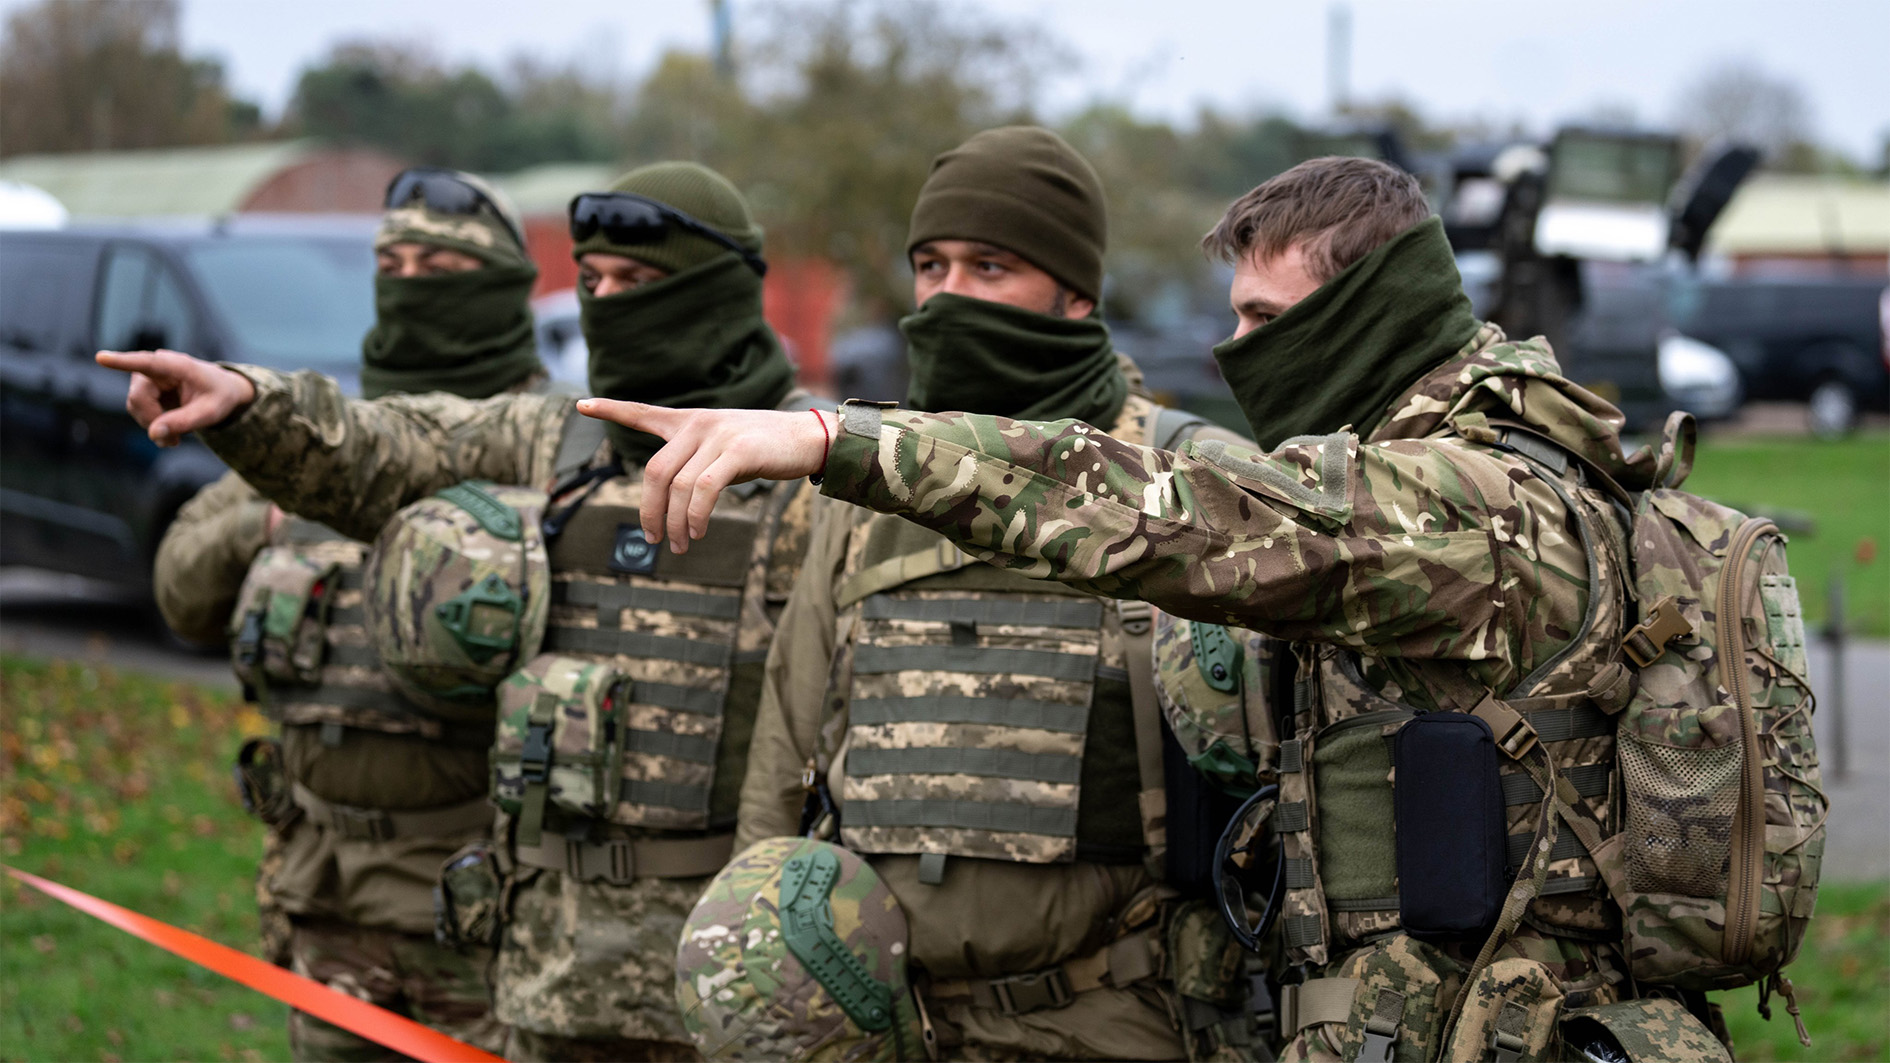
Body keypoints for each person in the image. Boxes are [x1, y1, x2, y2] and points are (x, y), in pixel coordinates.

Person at [570, 157, 1728, 1059]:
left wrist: (839, 435)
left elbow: (1184, 510)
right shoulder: (1445, 472)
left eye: (1266, 320)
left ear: (1373, 310)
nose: (1235, 354)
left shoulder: (1472, 504)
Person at [101, 161, 821, 1062]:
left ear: (716, 290)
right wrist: (250, 404)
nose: (609, 304)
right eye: (592, 282)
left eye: (639, 282)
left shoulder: (809, 474)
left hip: (722, 980)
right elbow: (393, 442)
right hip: (547, 975)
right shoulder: (550, 440)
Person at [693, 126, 1256, 1063]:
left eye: (990, 267)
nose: (949, 296)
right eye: (931, 265)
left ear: (1075, 292)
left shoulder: (1184, 476)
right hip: (890, 1026)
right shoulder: (862, 485)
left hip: (1117, 1017)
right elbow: (782, 765)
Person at [154, 166, 542, 1061]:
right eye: (392, 262)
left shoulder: (543, 438)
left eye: (439, 266)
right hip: (322, 897)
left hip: (479, 910)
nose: (408, 283)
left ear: (497, 288)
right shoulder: (319, 440)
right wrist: (275, 514)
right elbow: (181, 591)